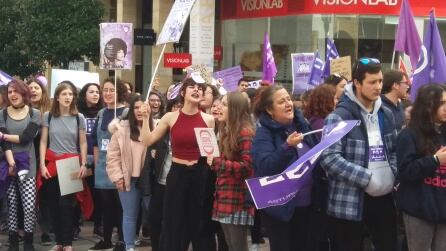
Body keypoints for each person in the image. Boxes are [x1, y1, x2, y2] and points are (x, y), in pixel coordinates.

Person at [320, 58, 397, 251]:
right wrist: (367, 179)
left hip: (384, 197)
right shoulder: (339, 116)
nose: (378, 87)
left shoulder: (386, 114)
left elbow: (394, 150)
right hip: (349, 200)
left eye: (380, 81)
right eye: (372, 82)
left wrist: (392, 174)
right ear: (356, 83)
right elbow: (329, 158)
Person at [141, 77, 215, 251]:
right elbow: (147, 140)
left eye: (200, 88)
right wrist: (145, 118)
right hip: (177, 173)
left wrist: (211, 159)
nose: (197, 90)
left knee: (198, 220)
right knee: (173, 221)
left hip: (199, 173)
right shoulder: (170, 117)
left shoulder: (209, 119)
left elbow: (209, 151)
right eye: (192, 87)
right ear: (183, 92)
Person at [251, 85, 316, 251]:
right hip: (280, 208)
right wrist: (286, 146)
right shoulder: (263, 133)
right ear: (269, 109)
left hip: (305, 206)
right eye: (281, 101)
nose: (288, 104)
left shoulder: (301, 125)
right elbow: (265, 167)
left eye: (288, 99)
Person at [395, 84, 446, 251]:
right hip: (419, 209)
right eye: (441, 103)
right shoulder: (409, 134)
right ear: (427, 106)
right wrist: (435, 160)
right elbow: (405, 171)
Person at [39, 82, 88, 251]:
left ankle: (68, 243)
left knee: (66, 205)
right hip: (51, 163)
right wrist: (41, 165)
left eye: (70, 94)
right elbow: (44, 141)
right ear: (57, 97)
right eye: (64, 94)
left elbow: (83, 142)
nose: (68, 97)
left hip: (71, 164)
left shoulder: (78, 117)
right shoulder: (48, 116)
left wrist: (83, 163)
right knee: (53, 204)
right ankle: (58, 242)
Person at [106, 95, 152, 251]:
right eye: (136, 107)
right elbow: (112, 156)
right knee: (130, 215)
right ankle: (129, 246)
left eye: (143, 107)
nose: (140, 110)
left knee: (153, 214)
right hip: (128, 179)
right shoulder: (121, 129)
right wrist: (117, 177)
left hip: (149, 181)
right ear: (131, 110)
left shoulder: (156, 127)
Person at [0, 79, 41, 251]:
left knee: (29, 206)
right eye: (9, 92)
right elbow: (6, 144)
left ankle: (29, 242)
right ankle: (13, 243)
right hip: (9, 164)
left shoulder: (35, 113)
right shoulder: (2, 114)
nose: (13, 95)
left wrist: (2, 136)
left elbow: (26, 138)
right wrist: (11, 163)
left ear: (24, 93)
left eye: (16, 91)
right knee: (12, 206)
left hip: (28, 166)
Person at [212, 92, 255, 251]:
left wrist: (218, 162)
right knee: (230, 245)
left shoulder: (245, 132)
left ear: (235, 109)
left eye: (224, 104)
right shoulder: (227, 130)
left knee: (237, 246)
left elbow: (247, 167)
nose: (218, 107)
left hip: (237, 199)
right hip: (224, 196)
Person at [89, 79, 128, 251]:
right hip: (102, 165)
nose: (107, 93)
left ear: (119, 91)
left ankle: (121, 240)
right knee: (105, 206)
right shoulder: (101, 113)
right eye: (105, 90)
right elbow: (95, 142)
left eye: (112, 90)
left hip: (119, 164)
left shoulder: (126, 112)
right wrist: (98, 165)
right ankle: (106, 239)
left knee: (120, 206)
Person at [147, 96, 182, 251]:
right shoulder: (163, 130)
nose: (177, 110)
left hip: (178, 185)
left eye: (180, 106)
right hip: (160, 183)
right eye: (174, 106)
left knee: (173, 223)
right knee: (154, 220)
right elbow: (148, 142)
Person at [26, 78, 53, 246]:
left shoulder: (50, 111)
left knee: (45, 197)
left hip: (47, 158)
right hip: (27, 158)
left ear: (43, 91)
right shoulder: (21, 110)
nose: (33, 91)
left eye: (37, 88)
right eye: (30, 88)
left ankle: (46, 231)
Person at [76, 83, 104, 238]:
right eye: (91, 92)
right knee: (76, 192)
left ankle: (98, 224)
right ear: (84, 95)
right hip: (79, 157)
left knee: (98, 192)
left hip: (98, 158)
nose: (95, 94)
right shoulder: (77, 113)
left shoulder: (103, 113)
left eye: (97, 92)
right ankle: (75, 225)